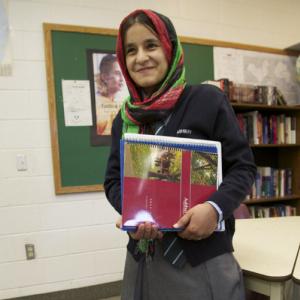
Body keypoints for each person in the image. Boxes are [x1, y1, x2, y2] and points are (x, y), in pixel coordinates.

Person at [104, 9, 257, 300]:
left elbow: (243, 167)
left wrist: (214, 208)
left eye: (151, 45)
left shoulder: (207, 100)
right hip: (144, 258)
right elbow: (113, 181)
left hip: (203, 257)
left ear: (170, 47)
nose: (141, 57)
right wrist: (132, 213)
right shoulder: (125, 119)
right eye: (131, 50)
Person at [95, 54, 124, 135]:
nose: (122, 79)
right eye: (117, 73)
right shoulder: (96, 105)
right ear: (104, 77)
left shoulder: (122, 104)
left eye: (123, 73)